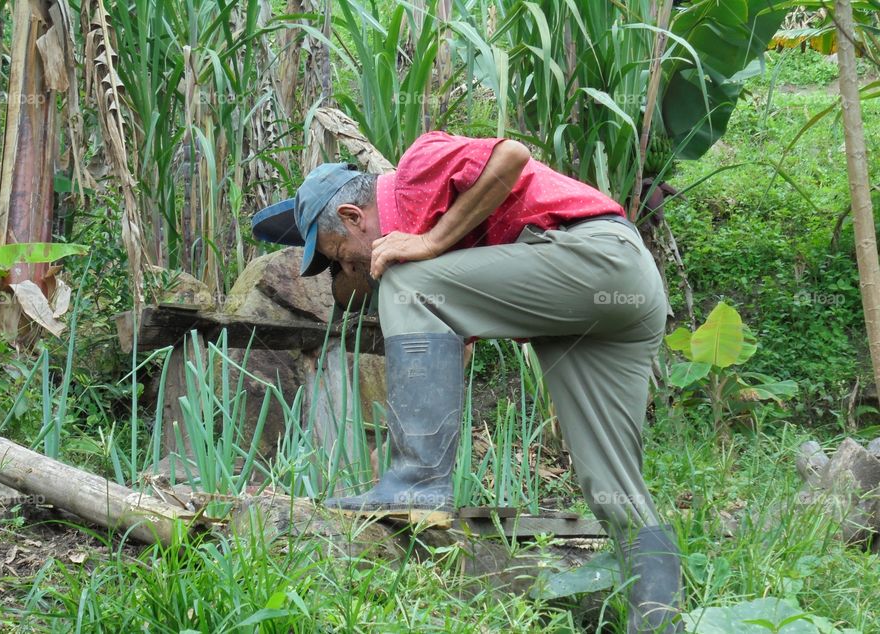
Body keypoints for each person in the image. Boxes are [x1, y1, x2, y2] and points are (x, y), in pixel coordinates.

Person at [252, 131, 684, 633]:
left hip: (596, 258)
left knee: (405, 280)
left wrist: (429, 243)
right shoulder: (452, 251)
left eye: (344, 256)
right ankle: (658, 624)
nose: (352, 269)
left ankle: (416, 483)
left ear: (352, 216)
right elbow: (445, 345)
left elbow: (513, 155)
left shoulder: (414, 170)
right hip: (615, 298)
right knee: (611, 486)